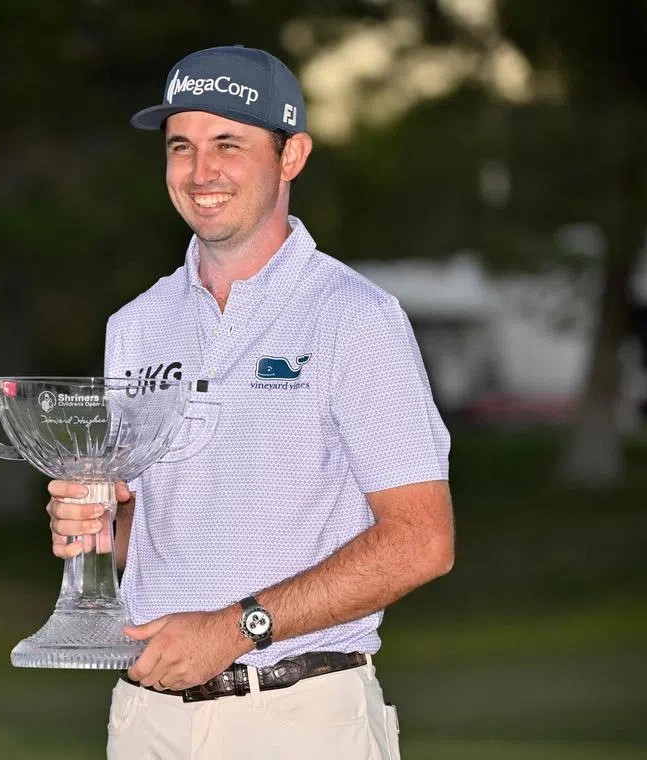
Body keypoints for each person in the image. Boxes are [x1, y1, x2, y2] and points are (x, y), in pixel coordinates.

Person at [47, 44, 454, 759]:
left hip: (297, 719)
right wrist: (101, 529)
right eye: (182, 147)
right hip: (148, 720)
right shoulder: (136, 326)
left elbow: (423, 541)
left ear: (290, 155)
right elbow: (146, 537)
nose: (200, 172)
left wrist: (236, 628)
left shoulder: (354, 316)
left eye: (228, 143)